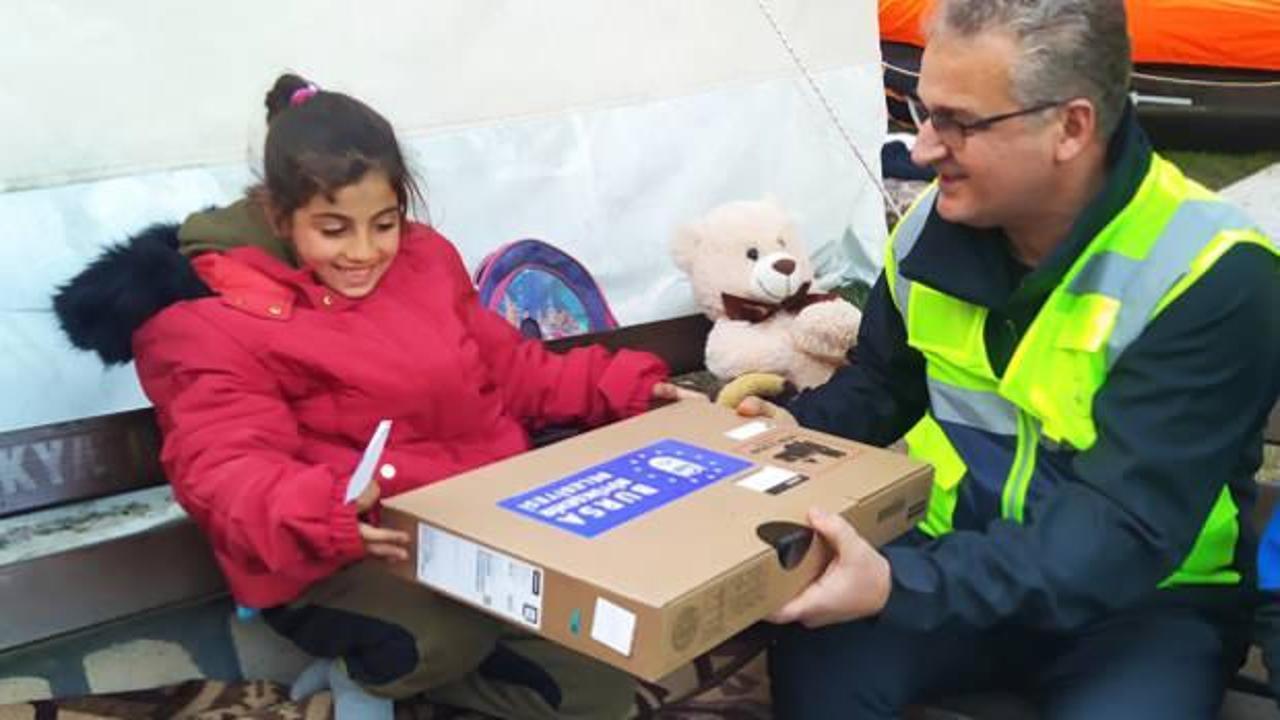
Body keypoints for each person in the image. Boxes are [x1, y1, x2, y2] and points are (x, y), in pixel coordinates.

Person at [55, 73, 699, 720]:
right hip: (330, 552)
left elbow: (513, 368)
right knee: (440, 639)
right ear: (281, 216)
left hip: (470, 526)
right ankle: (362, 680)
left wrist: (631, 390)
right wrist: (326, 510)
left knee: (598, 689)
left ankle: (404, 679)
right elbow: (222, 467)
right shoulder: (206, 315)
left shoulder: (424, 260)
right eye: (334, 230)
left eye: (383, 224)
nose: (364, 252)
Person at [734, 0, 1280, 717]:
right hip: (953, 558)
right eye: (918, 110)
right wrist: (784, 428)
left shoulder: (1212, 272)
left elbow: (1121, 529)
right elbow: (881, 384)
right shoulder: (933, 223)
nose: (923, 148)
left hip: (1144, 604)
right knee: (817, 657)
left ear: (1071, 127)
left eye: (957, 122)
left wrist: (901, 585)